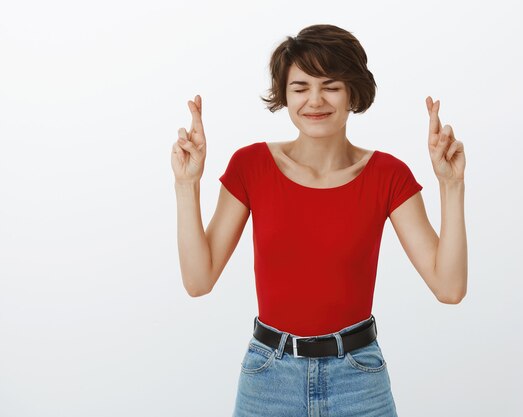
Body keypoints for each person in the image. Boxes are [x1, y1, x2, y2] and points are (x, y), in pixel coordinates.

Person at [171, 23, 467, 417]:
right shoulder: (251, 166)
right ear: (285, 95)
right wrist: (187, 184)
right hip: (268, 379)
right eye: (300, 87)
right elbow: (198, 280)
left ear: (352, 93)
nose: (315, 100)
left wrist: (451, 185)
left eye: (330, 85)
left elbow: (449, 288)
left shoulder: (388, 176)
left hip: (359, 380)